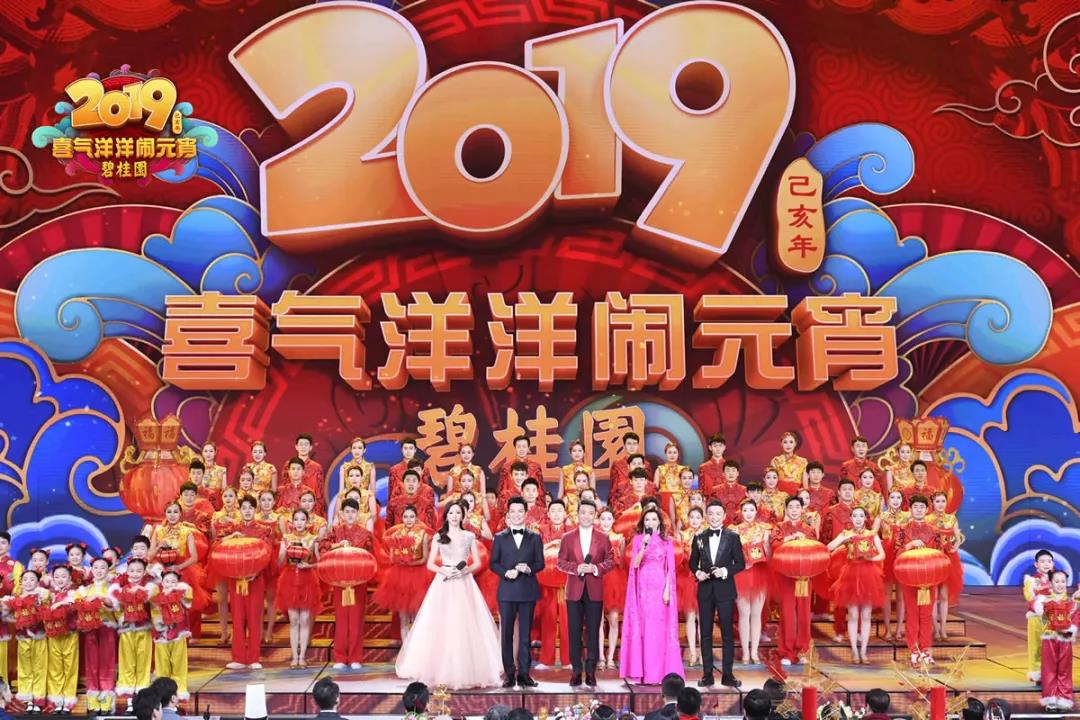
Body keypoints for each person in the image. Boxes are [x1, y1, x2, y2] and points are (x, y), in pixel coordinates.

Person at [396, 502, 503, 689]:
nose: (454, 516)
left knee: (465, 623)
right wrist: (445, 571)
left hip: (464, 583)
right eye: (451, 512)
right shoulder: (439, 536)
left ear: (462, 516)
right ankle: (439, 670)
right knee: (441, 623)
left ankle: (466, 670)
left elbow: (477, 563)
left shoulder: (469, 536)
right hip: (443, 583)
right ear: (446, 516)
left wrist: (463, 571)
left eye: (458, 513)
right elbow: (430, 564)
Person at [621, 508, 683, 685]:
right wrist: (643, 546)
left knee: (658, 629)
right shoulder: (638, 539)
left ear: (659, 522)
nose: (650, 522)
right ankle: (641, 672)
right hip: (642, 588)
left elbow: (670, 568)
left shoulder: (667, 541)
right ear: (643, 523)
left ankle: (658, 673)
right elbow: (635, 564)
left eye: (654, 519)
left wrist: (667, 589)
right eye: (647, 519)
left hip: (660, 586)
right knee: (644, 627)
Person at [557, 499, 615, 687]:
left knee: (593, 631)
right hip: (574, 591)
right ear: (577, 514)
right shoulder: (567, 537)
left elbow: (611, 560)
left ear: (595, 515)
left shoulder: (603, 538)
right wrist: (576, 568)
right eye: (583, 512)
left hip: (594, 590)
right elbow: (560, 562)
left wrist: (596, 568)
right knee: (574, 632)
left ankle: (590, 671)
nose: (586, 516)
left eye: (590, 513)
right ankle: (576, 670)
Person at [490, 496, 544, 688]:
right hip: (506, 591)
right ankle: (509, 674)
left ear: (526, 513)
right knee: (506, 635)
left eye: (520, 511)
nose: (516, 515)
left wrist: (529, 569)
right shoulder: (499, 537)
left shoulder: (535, 537)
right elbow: (493, 563)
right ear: (508, 514)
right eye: (512, 511)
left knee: (525, 636)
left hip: (527, 591)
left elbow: (540, 563)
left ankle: (524, 674)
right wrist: (506, 572)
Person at [689, 500, 744, 687]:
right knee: (705, 633)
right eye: (711, 513)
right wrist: (698, 572)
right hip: (705, 590)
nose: (714, 517)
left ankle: (728, 675)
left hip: (725, 590)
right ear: (706, 515)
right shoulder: (699, 537)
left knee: (727, 633)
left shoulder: (732, 537)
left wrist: (725, 571)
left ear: (724, 516)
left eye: (718, 514)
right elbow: (692, 562)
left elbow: (740, 563)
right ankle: (707, 675)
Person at [319, 498, 375, 670]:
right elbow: (323, 548)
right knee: (341, 620)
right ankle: (340, 657)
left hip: (359, 583)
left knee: (356, 620)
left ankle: (355, 657)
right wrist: (338, 545)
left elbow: (370, 557)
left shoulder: (365, 534)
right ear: (341, 514)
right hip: (340, 583)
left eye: (353, 512)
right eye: (347, 512)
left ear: (358, 514)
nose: (350, 515)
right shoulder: (335, 531)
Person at [827, 506, 885, 664]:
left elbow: (882, 554)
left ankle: (864, 651)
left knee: (866, 615)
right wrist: (844, 540)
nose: (858, 519)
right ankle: (854, 651)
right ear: (851, 518)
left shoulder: (871, 534)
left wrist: (871, 558)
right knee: (852, 614)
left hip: (869, 575)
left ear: (865, 518)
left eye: (861, 516)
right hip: (851, 575)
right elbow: (829, 547)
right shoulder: (846, 533)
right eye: (855, 516)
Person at [893, 495, 941, 666]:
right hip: (910, 578)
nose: (919, 510)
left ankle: (926, 650)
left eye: (922, 507)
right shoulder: (902, 530)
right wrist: (910, 545)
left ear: (927, 510)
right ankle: (914, 650)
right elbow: (896, 553)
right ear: (910, 509)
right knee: (912, 614)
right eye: (916, 507)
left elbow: (940, 555)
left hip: (929, 580)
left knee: (926, 615)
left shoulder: (934, 531)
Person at [375, 506, 433, 641]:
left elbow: (425, 558)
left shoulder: (423, 535)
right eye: (406, 517)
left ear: (416, 518)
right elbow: (391, 557)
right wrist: (400, 560)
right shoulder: (395, 535)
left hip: (418, 576)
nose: (408, 520)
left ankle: (416, 647)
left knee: (418, 617)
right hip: (399, 576)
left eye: (411, 516)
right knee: (403, 618)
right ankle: (405, 648)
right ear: (401, 518)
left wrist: (410, 562)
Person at [771, 497, 815, 666]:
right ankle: (787, 652)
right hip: (786, 576)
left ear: (802, 509)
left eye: (797, 507)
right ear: (786, 509)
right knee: (787, 613)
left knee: (804, 613)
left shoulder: (809, 529)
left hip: (804, 577)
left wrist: (804, 540)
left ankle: (802, 650)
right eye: (791, 507)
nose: (794, 510)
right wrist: (790, 538)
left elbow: (816, 550)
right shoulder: (779, 528)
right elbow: (774, 545)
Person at [277, 509, 321, 668]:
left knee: (304, 619)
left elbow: (320, 562)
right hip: (289, 580)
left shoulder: (313, 539)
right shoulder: (286, 538)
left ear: (307, 522)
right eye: (296, 519)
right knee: (294, 620)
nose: (299, 522)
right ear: (292, 522)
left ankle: (302, 656)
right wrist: (284, 549)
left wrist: (309, 565)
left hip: (308, 581)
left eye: (303, 519)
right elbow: (279, 562)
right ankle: (294, 657)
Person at [75, 555, 118, 714]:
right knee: (91, 663)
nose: (99, 571)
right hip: (90, 629)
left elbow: (115, 605)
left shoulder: (112, 588)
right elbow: (77, 606)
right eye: (96, 568)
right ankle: (93, 701)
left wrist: (101, 598)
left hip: (107, 627)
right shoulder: (84, 590)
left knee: (107, 663)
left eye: (103, 568)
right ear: (91, 570)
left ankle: (106, 702)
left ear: (108, 570)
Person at [110, 559, 153, 714]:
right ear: (127, 572)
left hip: (144, 630)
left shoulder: (149, 590)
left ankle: (142, 702)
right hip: (127, 632)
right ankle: (129, 702)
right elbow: (117, 610)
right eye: (132, 571)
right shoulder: (121, 591)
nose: (135, 574)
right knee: (127, 665)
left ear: (144, 572)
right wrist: (122, 618)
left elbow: (155, 609)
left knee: (143, 665)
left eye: (139, 571)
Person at [732, 499, 771, 665]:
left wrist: (765, 544)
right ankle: (745, 652)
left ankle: (754, 651)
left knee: (756, 614)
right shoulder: (733, 530)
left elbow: (769, 555)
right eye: (745, 510)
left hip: (760, 574)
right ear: (741, 512)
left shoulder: (764, 529)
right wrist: (743, 563)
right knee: (744, 614)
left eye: (751, 510)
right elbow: (730, 555)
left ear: (756, 511)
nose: (748, 513)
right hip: (741, 574)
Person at [1033, 570, 1077, 711]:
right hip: (1049, 639)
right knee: (1049, 670)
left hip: (1065, 640)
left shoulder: (1071, 603)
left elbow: (1076, 618)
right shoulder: (1044, 601)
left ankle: (1064, 700)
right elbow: (1042, 617)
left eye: (1063, 581)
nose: (1060, 584)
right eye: (1056, 581)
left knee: (1064, 670)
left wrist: (1070, 629)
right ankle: (1050, 700)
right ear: (1051, 583)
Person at [149, 570, 192, 702]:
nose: (170, 584)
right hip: (162, 636)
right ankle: (163, 691)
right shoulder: (157, 599)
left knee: (179, 663)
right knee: (162, 665)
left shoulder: (181, 596)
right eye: (167, 581)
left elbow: (188, 607)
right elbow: (154, 616)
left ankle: (180, 689)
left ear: (178, 583)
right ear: (162, 583)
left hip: (178, 635)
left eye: (173, 581)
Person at [599, 508, 626, 671]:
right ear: (598, 520)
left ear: (613, 521)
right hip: (597, 580)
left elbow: (622, 563)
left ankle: (610, 657)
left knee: (614, 620)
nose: (606, 522)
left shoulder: (619, 538)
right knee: (598, 622)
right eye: (603, 519)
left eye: (609, 519)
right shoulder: (594, 537)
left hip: (614, 581)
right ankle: (601, 657)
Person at [1023, 550, 1055, 683]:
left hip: (1052, 617)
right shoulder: (1031, 580)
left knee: (1052, 645)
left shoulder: (1057, 579)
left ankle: (1052, 671)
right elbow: (1029, 597)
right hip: (1036, 617)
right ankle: (1036, 673)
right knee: (1035, 646)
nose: (1046, 564)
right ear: (1036, 564)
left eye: (1049, 561)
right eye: (1042, 561)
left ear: (1052, 563)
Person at [698, 433, 727, 500]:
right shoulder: (703, 467)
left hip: (725, 502)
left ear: (724, 447)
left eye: (720, 446)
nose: (718, 449)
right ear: (710, 448)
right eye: (715, 446)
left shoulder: (729, 467)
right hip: (709, 502)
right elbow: (701, 490)